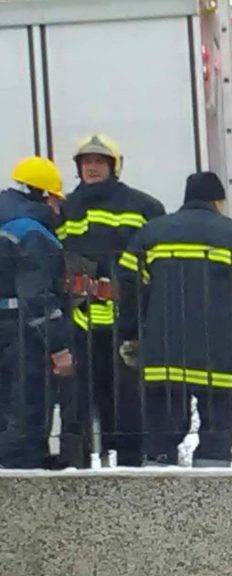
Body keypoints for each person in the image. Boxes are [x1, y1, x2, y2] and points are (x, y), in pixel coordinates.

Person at [117, 172, 232, 467]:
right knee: (216, 439)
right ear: (218, 201)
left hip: (164, 355)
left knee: (161, 438)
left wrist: (130, 336)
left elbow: (129, 292)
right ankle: (211, 500)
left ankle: (159, 493)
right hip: (221, 357)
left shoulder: (150, 235)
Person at [57, 134, 165, 467]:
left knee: (127, 397)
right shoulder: (66, 207)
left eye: (99, 161)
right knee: (77, 399)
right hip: (79, 321)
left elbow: (156, 261)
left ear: (113, 166)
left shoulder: (143, 206)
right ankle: (77, 464)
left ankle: (132, 462)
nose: (91, 167)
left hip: (126, 320)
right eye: (86, 162)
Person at [0, 157, 73, 468]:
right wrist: (59, 346)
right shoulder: (35, 233)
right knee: (27, 413)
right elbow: (38, 298)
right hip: (23, 333)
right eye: (56, 199)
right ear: (44, 196)